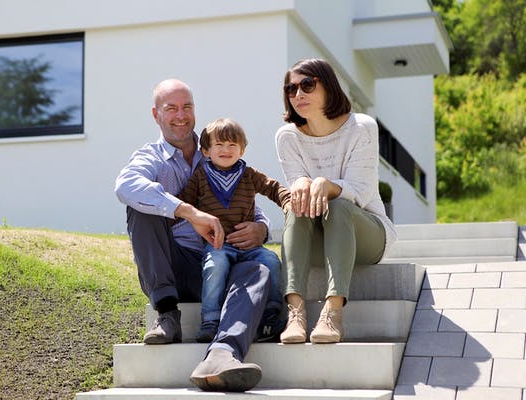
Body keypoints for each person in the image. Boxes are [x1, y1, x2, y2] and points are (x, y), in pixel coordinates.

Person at [114, 79, 272, 392]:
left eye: (187, 106)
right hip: (175, 265)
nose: (181, 115)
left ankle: (222, 355)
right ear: (156, 114)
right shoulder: (151, 157)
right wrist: (189, 211)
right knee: (141, 208)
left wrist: (262, 228)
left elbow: (250, 200)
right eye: (171, 108)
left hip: (221, 264)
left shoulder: (218, 149)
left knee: (260, 267)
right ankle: (167, 314)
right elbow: (125, 186)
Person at [274, 58, 397, 344]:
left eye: (307, 85)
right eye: (291, 89)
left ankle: (333, 312)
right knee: (296, 204)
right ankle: (295, 313)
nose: (298, 94)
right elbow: (298, 190)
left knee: (339, 205)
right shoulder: (287, 137)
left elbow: (362, 191)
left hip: (367, 235)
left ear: (328, 86)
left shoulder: (361, 127)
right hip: (317, 241)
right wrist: (302, 184)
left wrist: (326, 185)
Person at [178, 117, 290, 343]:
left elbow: (274, 188)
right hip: (218, 244)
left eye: (232, 145)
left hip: (250, 245)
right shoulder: (200, 177)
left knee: (271, 260)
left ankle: (271, 310)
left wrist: (288, 202)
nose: (226, 150)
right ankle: (210, 319)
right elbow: (182, 203)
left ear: (242, 149)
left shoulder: (248, 174)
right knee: (214, 265)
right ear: (206, 151)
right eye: (219, 145)